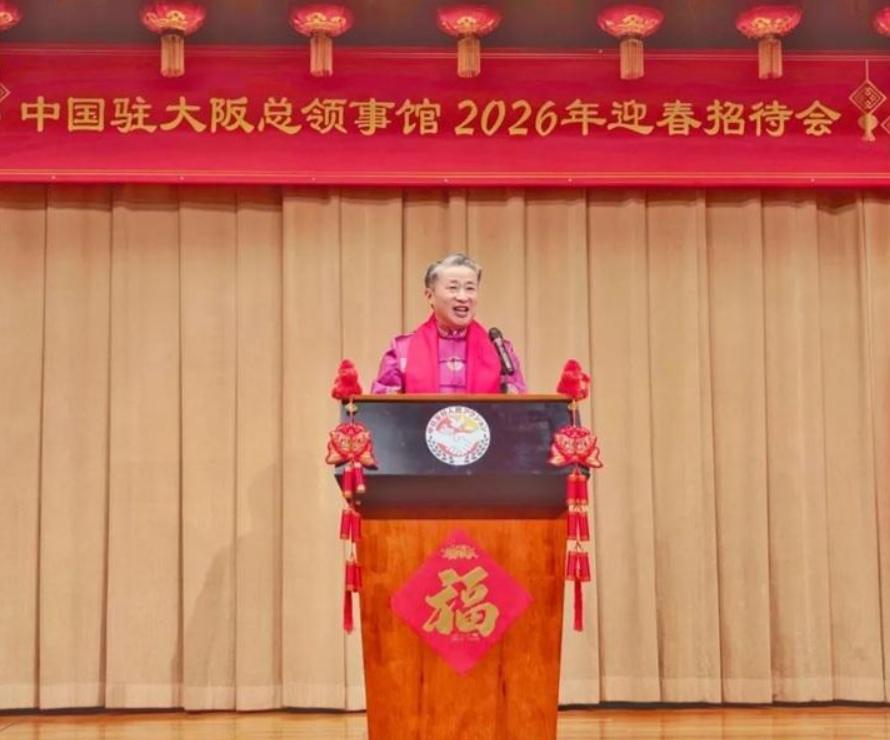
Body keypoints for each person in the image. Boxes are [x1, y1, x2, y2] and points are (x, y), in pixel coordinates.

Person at [371, 253, 526, 394]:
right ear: (430, 296)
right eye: (453, 288)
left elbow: (518, 406)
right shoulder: (403, 349)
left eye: (470, 288)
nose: (463, 297)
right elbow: (383, 408)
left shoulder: (499, 350)